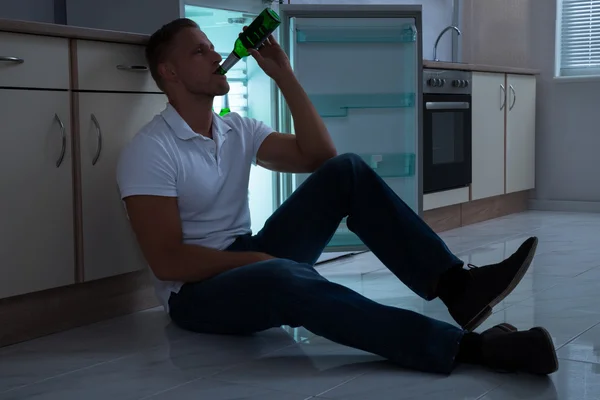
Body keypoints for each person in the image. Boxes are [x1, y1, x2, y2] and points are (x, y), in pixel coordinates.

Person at [116, 18, 558, 376]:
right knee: (286, 279)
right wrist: (258, 263)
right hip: (196, 294)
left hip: (248, 256)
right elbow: (169, 262)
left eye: (213, 47)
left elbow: (318, 155)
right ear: (169, 73)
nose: (216, 55)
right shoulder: (151, 150)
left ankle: (458, 287)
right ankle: (471, 349)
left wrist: (284, 74)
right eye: (200, 51)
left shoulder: (237, 128)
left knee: (346, 170)